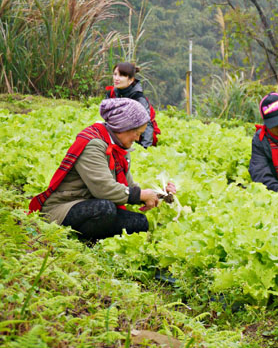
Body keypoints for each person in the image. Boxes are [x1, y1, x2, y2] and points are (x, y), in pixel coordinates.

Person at [28, 98, 176, 240]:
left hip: (92, 203)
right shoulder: (93, 144)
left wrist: (161, 194)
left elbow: (129, 188)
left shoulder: (119, 147)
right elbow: (104, 189)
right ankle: (80, 241)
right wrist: (141, 195)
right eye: (137, 133)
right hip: (65, 207)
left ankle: (92, 239)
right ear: (123, 127)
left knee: (140, 223)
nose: (137, 139)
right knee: (105, 209)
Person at [106, 62, 160, 148]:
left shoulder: (138, 98)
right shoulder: (111, 94)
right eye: (115, 74)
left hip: (138, 139)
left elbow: (147, 125)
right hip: (119, 136)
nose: (116, 78)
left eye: (121, 76)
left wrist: (145, 148)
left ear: (131, 80)